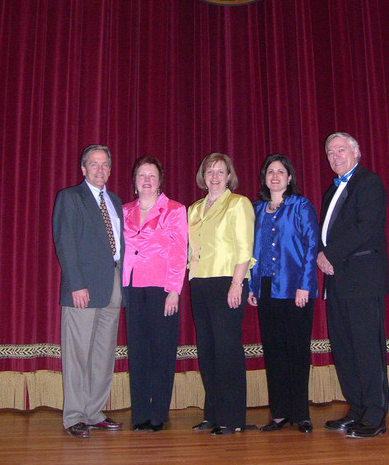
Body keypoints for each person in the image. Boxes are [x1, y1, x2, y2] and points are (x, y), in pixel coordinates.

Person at [317, 132, 389, 439]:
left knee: (366, 349)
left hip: (362, 280)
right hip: (337, 281)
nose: (335, 156)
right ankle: (357, 409)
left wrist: (328, 255)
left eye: (341, 150)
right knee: (344, 349)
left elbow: (367, 227)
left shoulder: (369, 183)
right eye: (330, 153)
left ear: (356, 152)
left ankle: (375, 415)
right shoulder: (330, 192)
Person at [52, 144, 124, 438]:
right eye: (94, 164)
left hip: (113, 287)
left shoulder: (116, 201)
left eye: (105, 164)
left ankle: (94, 412)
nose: (100, 169)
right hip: (82, 288)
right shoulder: (70, 198)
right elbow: (65, 243)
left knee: (103, 355)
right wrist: (76, 285)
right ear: (83, 169)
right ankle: (74, 416)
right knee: (78, 354)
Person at [248, 154, 319, 433]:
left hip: (295, 287)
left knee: (297, 351)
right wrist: (252, 287)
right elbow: (251, 251)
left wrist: (306, 285)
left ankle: (301, 413)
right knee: (274, 351)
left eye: (281, 171)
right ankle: (279, 412)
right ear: (264, 178)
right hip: (265, 288)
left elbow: (312, 246)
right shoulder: (255, 209)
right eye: (270, 172)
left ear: (290, 178)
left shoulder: (301, 206)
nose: (275, 176)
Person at [188, 153, 255, 435]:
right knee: (207, 351)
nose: (214, 176)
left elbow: (244, 248)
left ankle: (233, 417)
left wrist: (237, 284)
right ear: (203, 176)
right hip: (199, 282)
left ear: (229, 176)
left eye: (220, 171)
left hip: (228, 281)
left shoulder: (238, 204)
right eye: (209, 171)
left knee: (227, 350)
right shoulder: (194, 209)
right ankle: (213, 413)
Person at [122, 156, 188, 432]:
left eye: (152, 176)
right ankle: (140, 414)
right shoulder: (123, 209)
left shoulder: (174, 209)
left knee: (162, 351)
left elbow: (179, 252)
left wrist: (174, 290)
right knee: (137, 352)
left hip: (162, 288)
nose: (147, 181)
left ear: (160, 181)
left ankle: (159, 412)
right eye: (142, 176)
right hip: (132, 288)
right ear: (134, 182)